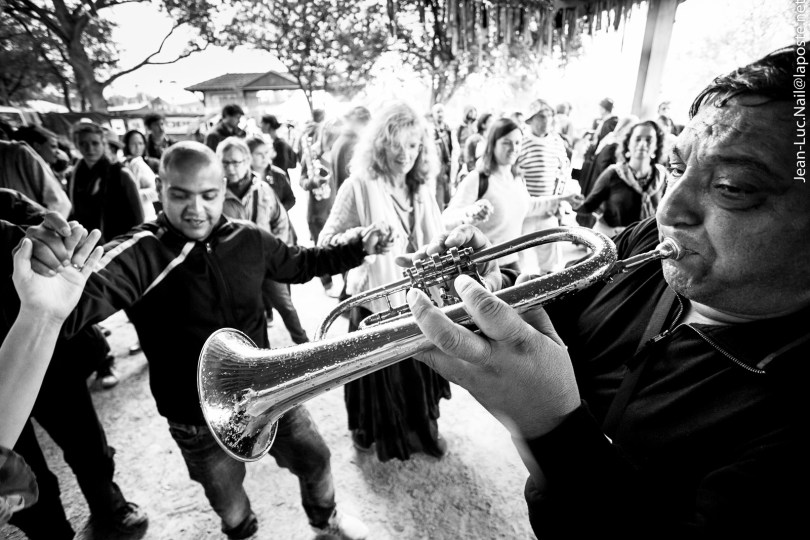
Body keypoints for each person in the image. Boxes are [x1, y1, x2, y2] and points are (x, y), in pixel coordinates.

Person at [405, 46, 804, 536]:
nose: (668, 209)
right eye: (676, 167)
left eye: (732, 187)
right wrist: (489, 285)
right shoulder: (647, 241)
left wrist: (553, 427)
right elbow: (553, 320)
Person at [26, 141, 378, 540]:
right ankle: (243, 534)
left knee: (316, 459)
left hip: (271, 390)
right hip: (195, 417)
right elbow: (75, 299)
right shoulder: (141, 252)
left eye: (208, 195)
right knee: (228, 502)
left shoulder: (250, 238)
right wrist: (46, 278)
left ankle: (325, 521)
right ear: (160, 189)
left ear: (223, 188)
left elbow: (302, 263)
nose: (196, 209)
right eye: (181, 195)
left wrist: (357, 249)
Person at [0, 192, 148, 537]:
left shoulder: (6, 206)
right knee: (19, 480)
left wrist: (47, 246)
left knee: (87, 446)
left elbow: (51, 229)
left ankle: (111, 511)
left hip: (53, 358)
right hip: (35, 345)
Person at [319, 101, 451, 461]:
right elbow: (325, 243)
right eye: (395, 144)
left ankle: (423, 432)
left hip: (418, 301)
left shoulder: (421, 187)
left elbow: (436, 236)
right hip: (374, 305)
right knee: (376, 378)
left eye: (413, 145)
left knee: (418, 371)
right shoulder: (358, 186)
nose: (405, 154)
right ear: (379, 145)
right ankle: (369, 432)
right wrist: (363, 238)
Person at [0, 213, 103, 530]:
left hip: (50, 364)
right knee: (29, 498)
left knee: (88, 448)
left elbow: (43, 229)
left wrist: (41, 313)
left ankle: (109, 507)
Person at [442, 117, 582, 273]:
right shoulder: (478, 179)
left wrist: (563, 199)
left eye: (517, 143)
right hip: (482, 267)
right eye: (506, 143)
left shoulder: (516, 178)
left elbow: (529, 206)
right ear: (493, 144)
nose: (513, 148)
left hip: (511, 262)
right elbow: (447, 219)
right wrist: (471, 213)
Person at [67, 121, 144, 388]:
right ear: (76, 146)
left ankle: (148, 341)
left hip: (121, 251)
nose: (90, 149)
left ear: (104, 144)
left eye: (95, 143)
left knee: (136, 304)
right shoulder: (76, 175)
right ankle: (103, 361)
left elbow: (139, 219)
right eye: (84, 144)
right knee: (88, 305)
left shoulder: (120, 174)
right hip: (89, 253)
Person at [219, 136, 308, 344]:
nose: (231, 168)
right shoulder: (216, 194)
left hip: (267, 261)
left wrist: (276, 253)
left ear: (246, 161)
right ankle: (259, 353)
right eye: (225, 162)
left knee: (285, 305)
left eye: (236, 162)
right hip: (236, 270)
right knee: (251, 314)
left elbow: (280, 221)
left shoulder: (263, 189)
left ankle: (305, 344)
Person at [579, 120, 669, 238]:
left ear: (657, 145)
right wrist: (572, 203)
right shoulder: (613, 173)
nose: (643, 144)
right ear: (628, 143)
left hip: (643, 243)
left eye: (649, 140)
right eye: (638, 139)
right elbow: (589, 206)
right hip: (613, 240)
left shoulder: (662, 177)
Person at [516, 99, 572, 273]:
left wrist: (560, 201)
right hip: (526, 212)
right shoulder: (521, 141)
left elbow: (564, 170)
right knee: (521, 260)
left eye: (549, 115)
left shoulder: (556, 141)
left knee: (550, 264)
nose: (546, 120)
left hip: (549, 211)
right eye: (541, 116)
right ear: (530, 119)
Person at [0, 138, 71, 218]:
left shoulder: (16, 153)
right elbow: (60, 203)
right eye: (53, 146)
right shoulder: (17, 152)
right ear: (37, 146)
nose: (57, 152)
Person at [247, 135, 296, 211]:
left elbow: (290, 198)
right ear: (249, 156)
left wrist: (278, 212)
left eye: (266, 153)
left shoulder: (279, 174)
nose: (264, 157)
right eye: (259, 154)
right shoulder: (242, 177)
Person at [122, 129, 161, 220]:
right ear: (127, 145)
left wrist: (132, 194)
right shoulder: (126, 163)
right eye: (133, 143)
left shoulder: (139, 164)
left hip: (145, 216)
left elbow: (156, 191)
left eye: (140, 143)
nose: (137, 147)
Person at [430, 103, 454, 211]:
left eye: (441, 111)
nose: (440, 114)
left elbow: (450, 146)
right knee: (438, 188)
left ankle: (445, 211)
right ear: (433, 114)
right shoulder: (431, 129)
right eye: (437, 112)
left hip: (446, 162)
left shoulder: (447, 128)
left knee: (446, 187)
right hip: (436, 163)